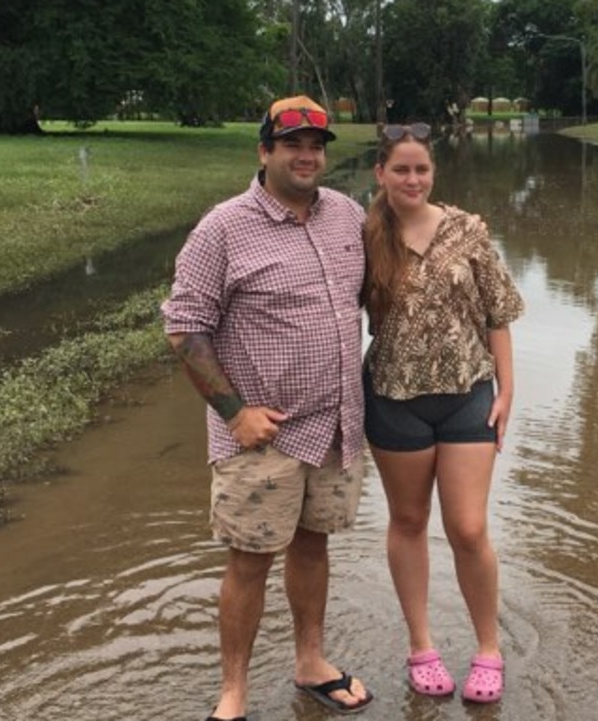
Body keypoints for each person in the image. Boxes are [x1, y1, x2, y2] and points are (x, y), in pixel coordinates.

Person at [161, 95, 373, 719]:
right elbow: (185, 327)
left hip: (336, 426)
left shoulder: (345, 214)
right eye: (293, 145)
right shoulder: (223, 227)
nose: (308, 156)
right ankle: (234, 692)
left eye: (316, 145)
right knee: (249, 560)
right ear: (264, 152)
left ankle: (311, 662)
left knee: (313, 547)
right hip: (262, 435)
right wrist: (233, 412)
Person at [361, 122, 524, 703]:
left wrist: (506, 390)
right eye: (400, 169)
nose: (412, 179)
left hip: (467, 394)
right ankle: (421, 646)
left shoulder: (468, 230)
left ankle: (487, 649)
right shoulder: (362, 236)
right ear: (381, 174)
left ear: (434, 173)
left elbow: (497, 312)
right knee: (408, 522)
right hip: (392, 398)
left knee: (468, 526)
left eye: (421, 169)